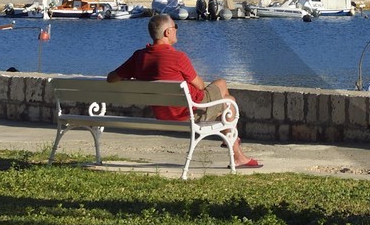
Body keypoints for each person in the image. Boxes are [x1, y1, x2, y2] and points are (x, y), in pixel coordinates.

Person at [108, 14, 262, 168]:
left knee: (224, 92)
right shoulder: (177, 57)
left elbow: (111, 78)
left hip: (162, 113)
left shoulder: (139, 57)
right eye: (176, 27)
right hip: (189, 112)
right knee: (229, 99)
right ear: (167, 32)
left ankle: (232, 143)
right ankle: (235, 151)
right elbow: (200, 85)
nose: (177, 31)